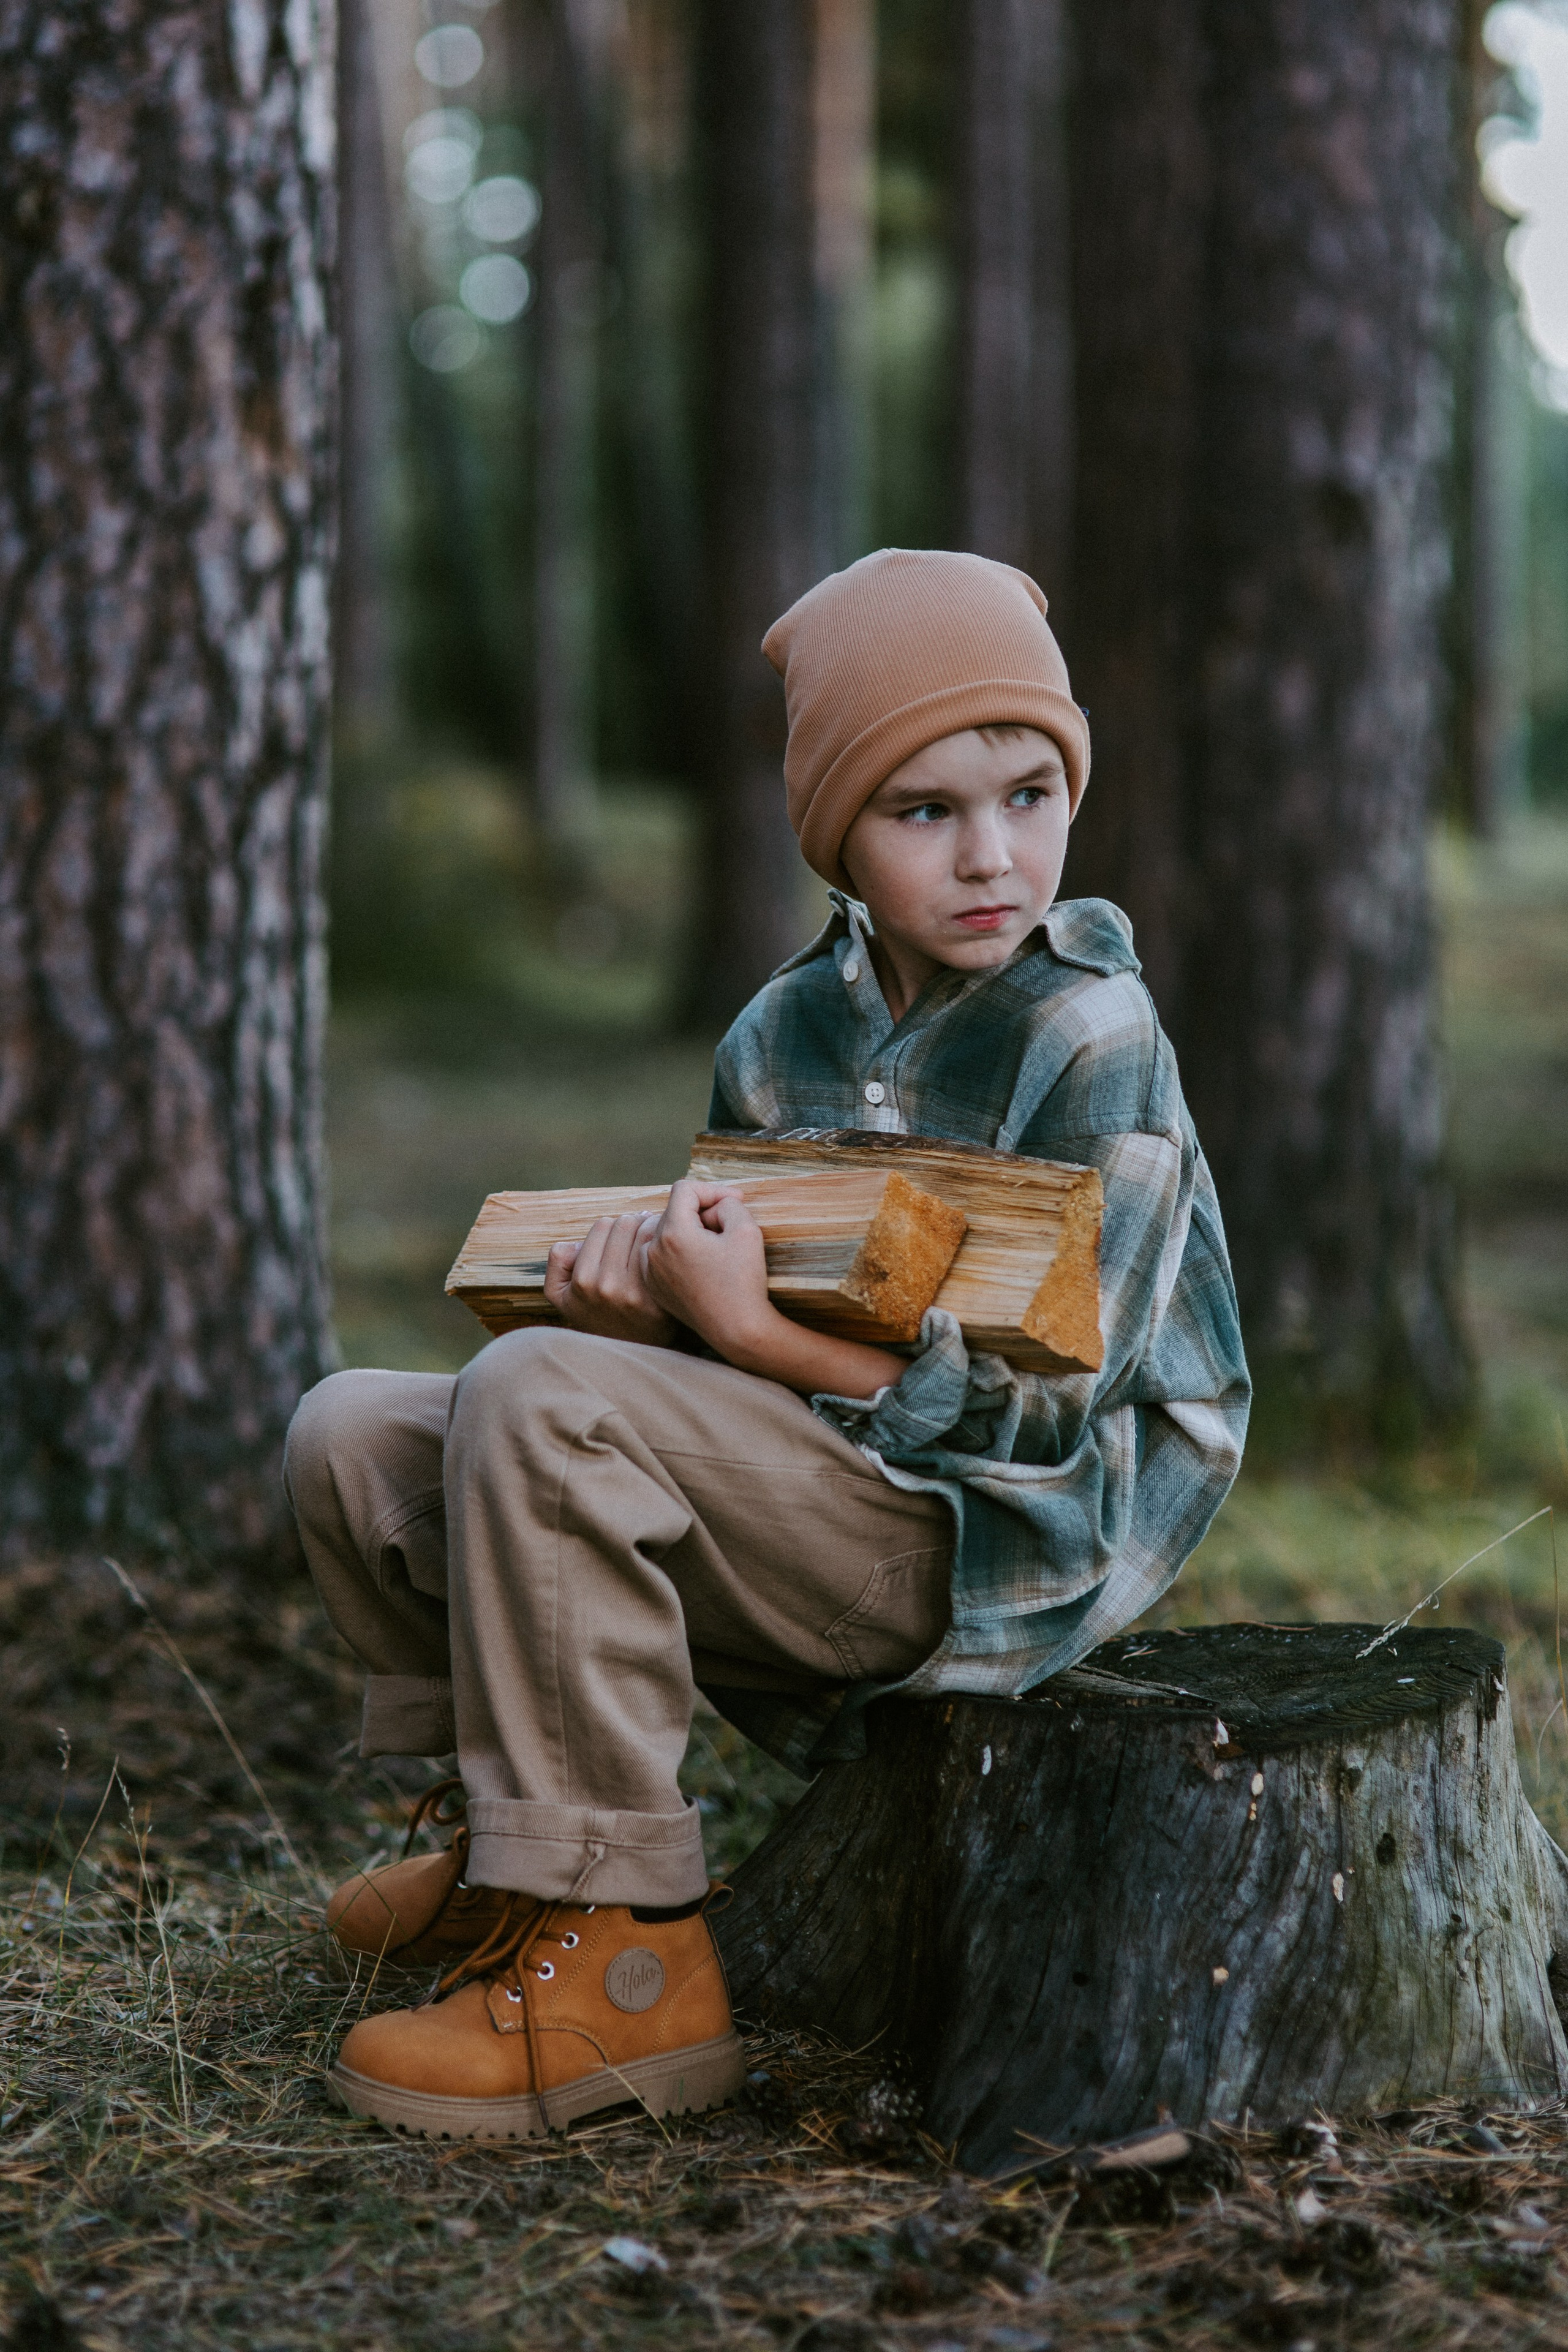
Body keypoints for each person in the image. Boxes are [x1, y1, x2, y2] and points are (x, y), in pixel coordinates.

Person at [286, 548, 1250, 2142]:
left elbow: (1052, 1427)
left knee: (540, 1402)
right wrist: (658, 1313)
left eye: (1028, 792)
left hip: (1001, 1535)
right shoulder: (781, 1032)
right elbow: (743, 1330)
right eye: (923, 811)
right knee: (355, 1430)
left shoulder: (1097, 1043)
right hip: (831, 1475)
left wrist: (734, 1341)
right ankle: (513, 1849)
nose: (991, 854)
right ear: (835, 832)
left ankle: (626, 1978)